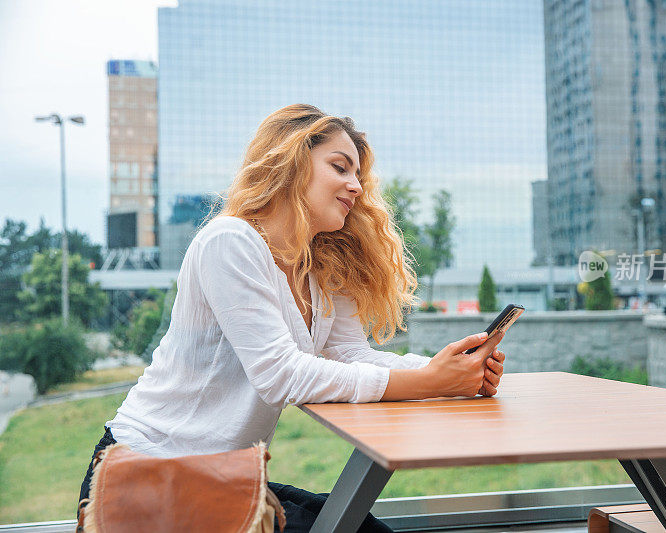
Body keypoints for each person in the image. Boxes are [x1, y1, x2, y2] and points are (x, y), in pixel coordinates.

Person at [78, 104, 506, 532]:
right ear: (292, 161)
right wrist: (430, 382)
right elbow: (279, 374)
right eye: (340, 167)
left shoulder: (319, 266)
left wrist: (445, 369)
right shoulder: (229, 241)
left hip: (221, 475)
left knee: (358, 526)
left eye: (358, 175)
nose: (356, 186)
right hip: (147, 473)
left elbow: (349, 354)